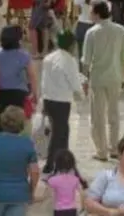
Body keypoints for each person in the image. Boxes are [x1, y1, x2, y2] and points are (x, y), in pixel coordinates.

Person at [81, 2, 124, 161]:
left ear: (96, 13)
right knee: (114, 114)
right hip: (115, 77)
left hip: (97, 78)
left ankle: (101, 150)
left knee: (97, 116)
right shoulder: (120, 30)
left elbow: (86, 61)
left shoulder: (91, 33)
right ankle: (115, 148)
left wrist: (84, 80)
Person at [0, 105, 40, 216]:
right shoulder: (27, 143)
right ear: (21, 124)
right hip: (20, 195)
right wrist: (31, 191)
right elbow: (35, 172)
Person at [41, 30, 85, 174]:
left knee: (55, 131)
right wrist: (82, 95)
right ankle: (55, 164)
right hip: (61, 101)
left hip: (48, 99)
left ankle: (58, 161)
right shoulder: (69, 60)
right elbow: (74, 83)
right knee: (61, 133)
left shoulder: (48, 58)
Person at [0, 25, 38, 131]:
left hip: (1, 93)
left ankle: (2, 142)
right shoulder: (24, 55)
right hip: (19, 93)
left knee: (2, 121)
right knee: (18, 122)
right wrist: (35, 94)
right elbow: (32, 76)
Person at [73, 0, 107, 64]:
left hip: (81, 26)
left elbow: (76, 13)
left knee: (82, 56)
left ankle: (83, 76)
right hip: (96, 26)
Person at [46, 149, 88, 216]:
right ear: (72, 164)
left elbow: (51, 195)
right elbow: (82, 193)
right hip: (72, 209)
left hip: (58, 210)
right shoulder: (75, 179)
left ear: (56, 163)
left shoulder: (52, 180)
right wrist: (83, 208)